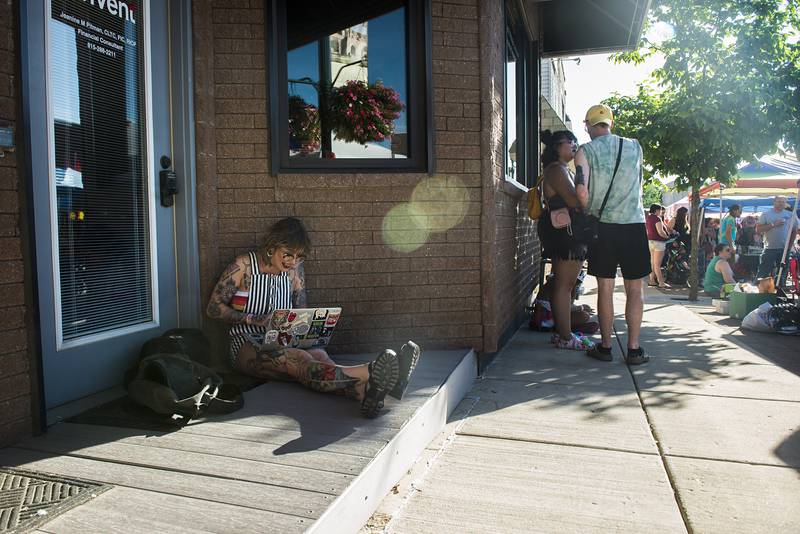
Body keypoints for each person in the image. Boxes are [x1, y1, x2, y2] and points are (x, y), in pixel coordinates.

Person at [206, 217, 419, 418]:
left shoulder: (294, 271)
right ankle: (371, 372)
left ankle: (366, 392)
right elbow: (213, 308)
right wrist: (253, 319)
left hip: (285, 340)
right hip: (246, 345)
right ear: (272, 246)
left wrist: (309, 328)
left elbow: (301, 311)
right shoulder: (243, 265)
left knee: (319, 355)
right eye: (288, 254)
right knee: (300, 360)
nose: (293, 261)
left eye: (299, 256)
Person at [574, 104, 650, 365]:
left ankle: (605, 347)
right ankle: (634, 349)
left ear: (588, 125)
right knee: (635, 289)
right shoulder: (635, 146)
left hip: (603, 226)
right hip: (634, 224)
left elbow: (582, 193)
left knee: (604, 287)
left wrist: (586, 211)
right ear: (610, 123)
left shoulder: (585, 151)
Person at [537, 129, 595, 350]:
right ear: (555, 147)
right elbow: (575, 200)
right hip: (566, 233)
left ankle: (565, 333)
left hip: (567, 232)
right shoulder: (557, 170)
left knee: (567, 284)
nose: (574, 144)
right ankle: (565, 336)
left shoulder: (561, 169)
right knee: (564, 284)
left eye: (575, 141)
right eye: (568, 141)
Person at [531, 274, 599, 335]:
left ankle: (567, 328)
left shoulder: (561, 280)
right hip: (545, 319)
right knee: (584, 316)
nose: (578, 285)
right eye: (578, 283)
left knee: (587, 318)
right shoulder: (560, 284)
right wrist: (581, 307)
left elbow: (566, 304)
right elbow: (563, 307)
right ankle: (564, 329)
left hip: (550, 316)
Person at [755, 196, 799, 285]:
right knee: (764, 271)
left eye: (783, 202)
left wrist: (789, 246)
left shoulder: (791, 215)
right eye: (779, 201)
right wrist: (773, 224)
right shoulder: (766, 214)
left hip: (784, 249)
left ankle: (779, 291)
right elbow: (758, 230)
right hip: (769, 248)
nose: (781, 203)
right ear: (774, 202)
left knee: (782, 273)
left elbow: (794, 231)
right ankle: (758, 290)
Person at [645, 203, 673, 288]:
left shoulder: (648, 218)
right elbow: (660, 232)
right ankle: (661, 282)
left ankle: (652, 280)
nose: (661, 212)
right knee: (657, 264)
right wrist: (667, 237)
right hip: (659, 243)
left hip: (651, 241)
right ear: (657, 210)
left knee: (652, 263)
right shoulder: (657, 219)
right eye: (660, 210)